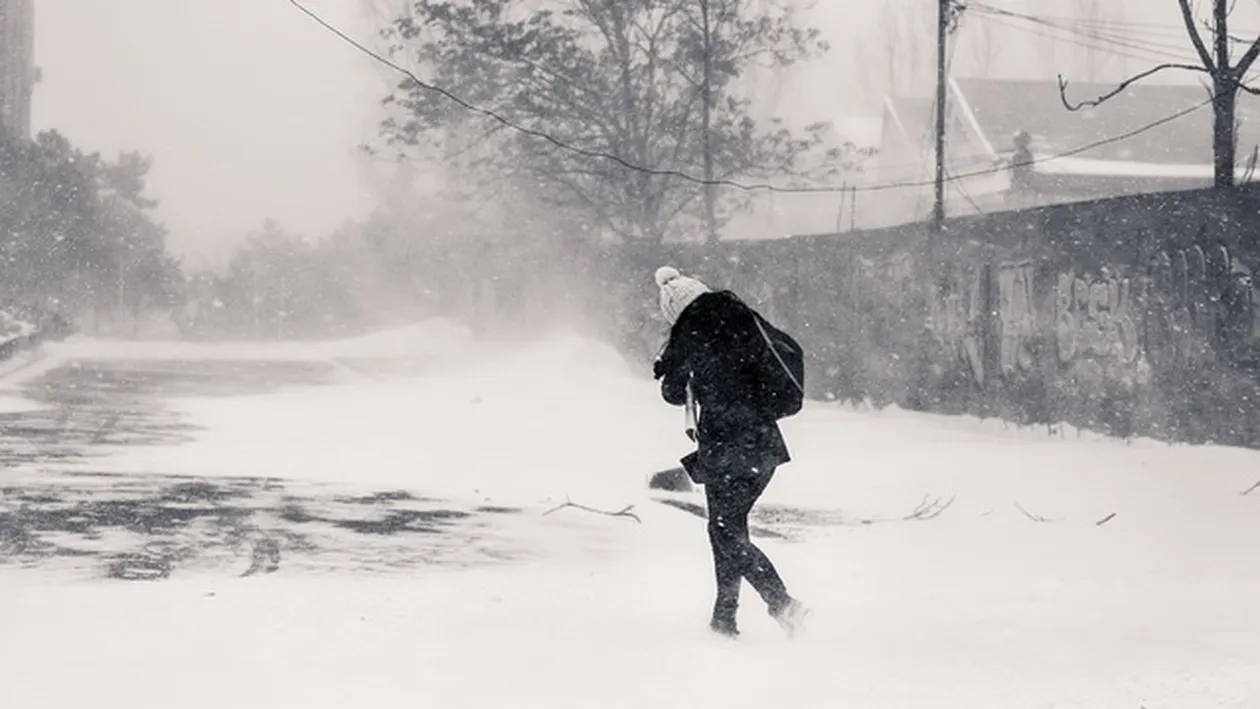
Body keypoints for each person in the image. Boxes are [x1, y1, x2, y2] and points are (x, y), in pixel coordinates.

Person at [651, 265, 808, 639]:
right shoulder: (742, 319)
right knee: (727, 528)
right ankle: (724, 620)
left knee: (725, 532)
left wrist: (670, 365)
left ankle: (783, 604)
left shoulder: (689, 336)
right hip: (763, 443)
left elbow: (673, 394)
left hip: (726, 444)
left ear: (675, 310)